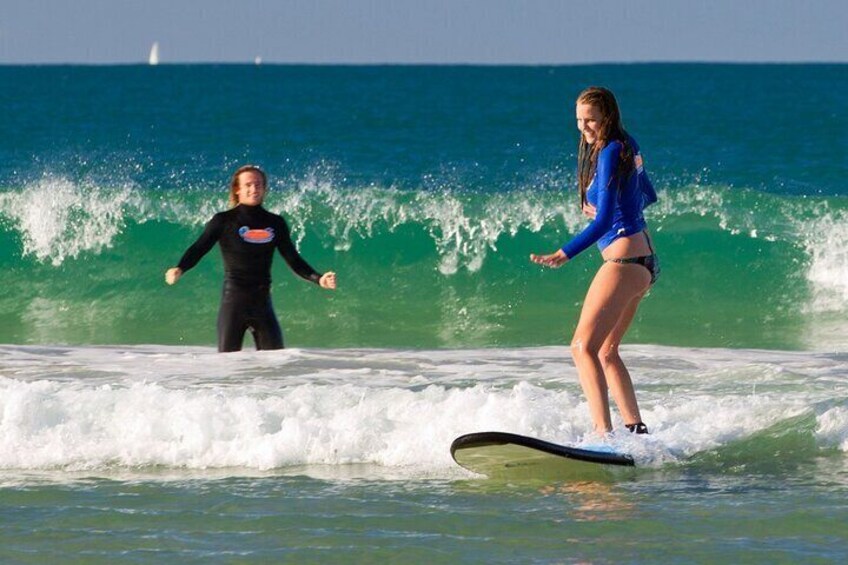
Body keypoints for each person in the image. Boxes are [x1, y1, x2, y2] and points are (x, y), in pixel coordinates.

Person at [530, 86, 659, 436]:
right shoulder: (627, 144)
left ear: (608, 117)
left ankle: (603, 435)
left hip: (623, 262)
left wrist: (564, 252)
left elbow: (603, 223)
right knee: (606, 351)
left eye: (591, 120)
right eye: (579, 121)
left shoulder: (609, 151)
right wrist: (618, 209)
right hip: (644, 262)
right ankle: (636, 431)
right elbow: (648, 194)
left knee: (581, 347)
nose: (585, 128)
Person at [165, 165, 337, 352]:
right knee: (227, 365)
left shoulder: (275, 223)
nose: (253, 188)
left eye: (258, 184)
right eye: (248, 184)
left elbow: (293, 259)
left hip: (262, 304)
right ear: (237, 189)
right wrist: (180, 268)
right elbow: (199, 248)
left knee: (276, 363)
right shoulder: (223, 221)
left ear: (264, 188)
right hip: (233, 303)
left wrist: (318, 278)